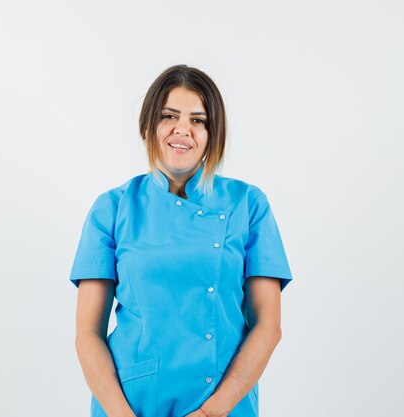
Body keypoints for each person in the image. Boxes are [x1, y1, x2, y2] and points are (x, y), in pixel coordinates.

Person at [69, 64, 293, 417]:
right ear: (147, 125)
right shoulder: (112, 208)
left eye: (198, 120)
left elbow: (268, 327)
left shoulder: (248, 205)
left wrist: (210, 412)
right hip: (128, 405)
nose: (182, 130)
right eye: (168, 116)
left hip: (224, 406)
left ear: (212, 134)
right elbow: (87, 335)